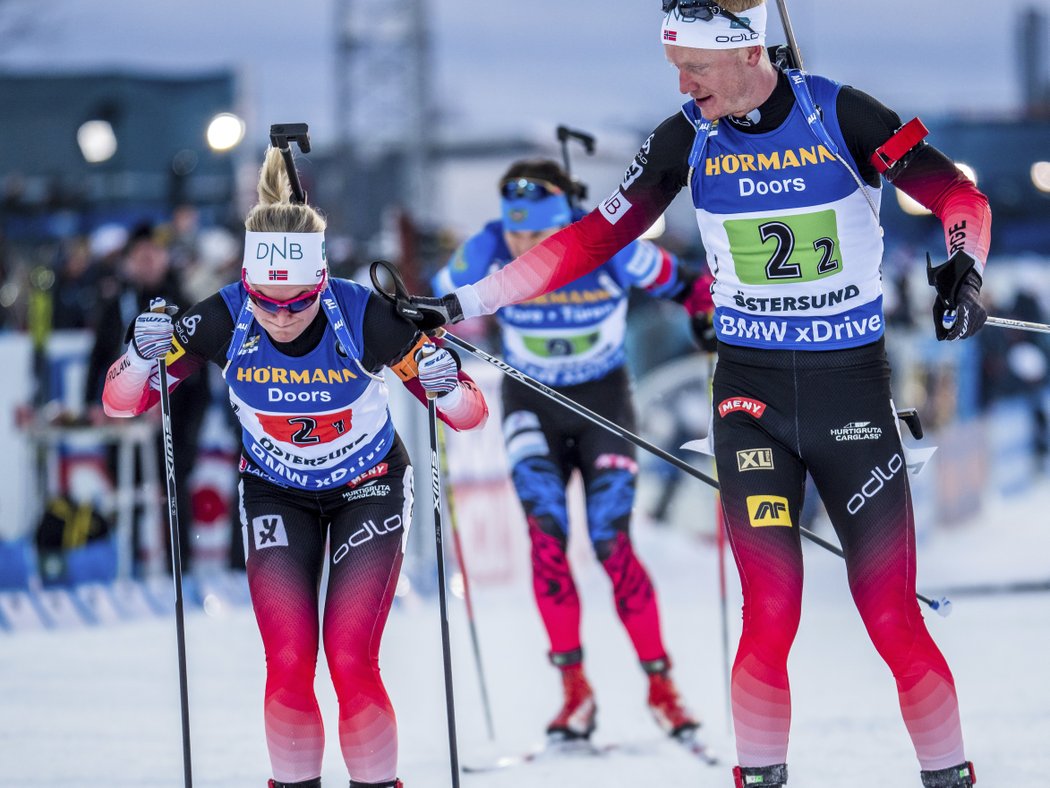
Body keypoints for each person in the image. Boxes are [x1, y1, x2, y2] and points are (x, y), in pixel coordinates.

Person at [397, 2, 991, 786]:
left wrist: (963, 266)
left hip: (849, 396)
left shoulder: (842, 113)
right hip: (750, 402)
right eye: (674, 65)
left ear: (749, 55)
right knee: (770, 612)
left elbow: (958, 197)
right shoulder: (685, 136)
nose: (682, 83)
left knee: (890, 617)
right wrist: (466, 301)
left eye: (696, 68)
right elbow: (590, 239)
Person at [102, 146, 489, 788]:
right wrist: (142, 360)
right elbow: (121, 404)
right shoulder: (224, 316)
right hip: (275, 493)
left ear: (320, 282)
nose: (280, 318)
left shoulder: (365, 315)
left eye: (297, 302)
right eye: (266, 301)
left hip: (369, 489)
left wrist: (447, 384)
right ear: (247, 285)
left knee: (350, 658)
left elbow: (469, 416)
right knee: (286, 661)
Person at [432, 158, 702, 743]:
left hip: (604, 405)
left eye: (539, 233)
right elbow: (436, 300)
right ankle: (574, 693)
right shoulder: (488, 243)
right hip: (532, 404)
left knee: (610, 539)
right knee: (547, 535)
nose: (525, 246)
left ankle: (662, 687)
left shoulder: (611, 242)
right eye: (518, 233)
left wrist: (707, 316)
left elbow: (686, 283)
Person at [86, 221, 210, 574]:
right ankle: (126, 568)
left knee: (174, 495)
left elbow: (199, 376)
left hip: (175, 417)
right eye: (139, 257)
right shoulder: (116, 304)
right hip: (126, 419)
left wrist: (180, 416)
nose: (147, 263)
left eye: (153, 255)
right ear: (129, 261)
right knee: (128, 496)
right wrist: (96, 405)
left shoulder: (183, 302)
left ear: (164, 258)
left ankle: (181, 572)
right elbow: (98, 361)